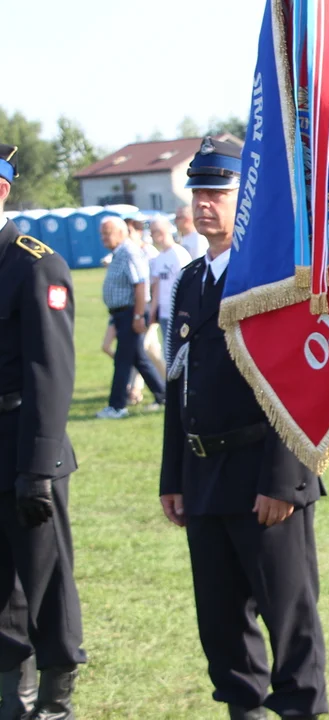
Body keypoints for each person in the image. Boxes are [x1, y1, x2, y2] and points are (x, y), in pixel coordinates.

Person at [159, 138, 327, 720]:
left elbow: (305, 382)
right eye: (198, 193)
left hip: (265, 473)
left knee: (289, 621)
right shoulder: (187, 283)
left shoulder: (277, 278)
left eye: (218, 193)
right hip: (205, 477)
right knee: (222, 623)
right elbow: (179, 389)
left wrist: (285, 478)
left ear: (246, 198)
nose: (204, 204)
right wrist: (172, 477)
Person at [0, 143, 86, 719]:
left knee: (45, 581)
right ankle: (13, 696)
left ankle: (54, 702)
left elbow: (51, 374)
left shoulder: (33, 263)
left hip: (25, 442)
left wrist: (39, 465)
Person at [97, 215, 166, 418]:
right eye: (102, 234)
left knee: (122, 360)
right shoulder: (119, 253)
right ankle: (163, 395)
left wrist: (137, 316)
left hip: (130, 313)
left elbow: (140, 284)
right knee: (139, 359)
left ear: (121, 232)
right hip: (122, 314)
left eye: (107, 233)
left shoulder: (129, 252)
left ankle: (117, 406)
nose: (103, 238)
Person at [148, 216, 191, 344]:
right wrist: (153, 310)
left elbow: (187, 283)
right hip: (164, 312)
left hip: (178, 309)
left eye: (154, 231)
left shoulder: (179, 254)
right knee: (167, 351)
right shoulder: (159, 257)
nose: (152, 236)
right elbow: (157, 286)